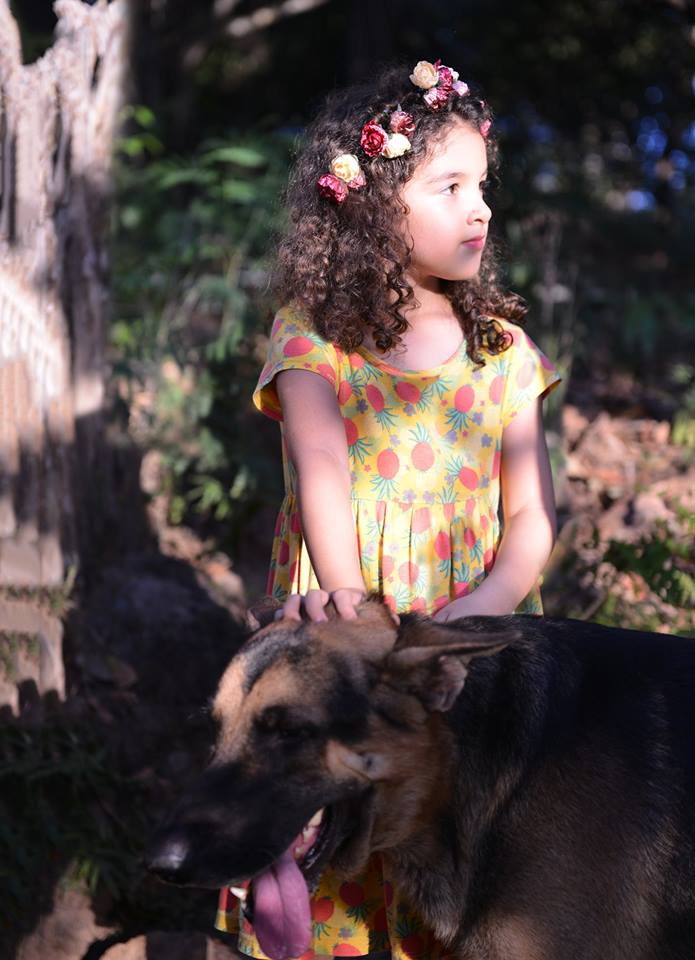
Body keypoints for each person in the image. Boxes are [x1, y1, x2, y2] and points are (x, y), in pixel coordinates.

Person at [216, 58, 561, 960]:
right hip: (346, 622)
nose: (478, 209)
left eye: (481, 187)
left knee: (467, 843)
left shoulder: (503, 353)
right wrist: (359, 622)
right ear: (371, 202)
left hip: (469, 635)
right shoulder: (315, 337)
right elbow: (322, 469)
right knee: (329, 807)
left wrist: (471, 622)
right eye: (449, 187)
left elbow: (531, 516)